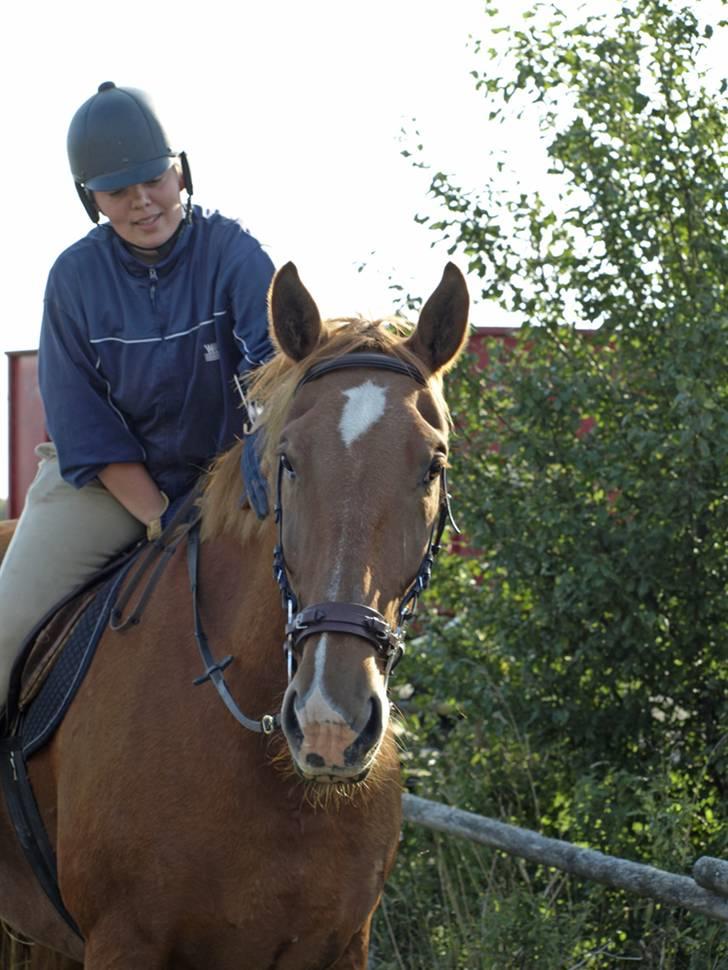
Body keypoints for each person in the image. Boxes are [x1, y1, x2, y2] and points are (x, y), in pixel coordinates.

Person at [0, 81, 275, 705]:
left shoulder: (236, 253)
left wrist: (247, 475)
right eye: (118, 191)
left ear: (182, 172)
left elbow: (277, 374)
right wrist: (160, 516)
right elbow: (81, 425)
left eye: (154, 179)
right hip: (101, 488)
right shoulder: (72, 278)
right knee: (1, 634)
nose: (143, 202)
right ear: (90, 199)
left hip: (224, 483)